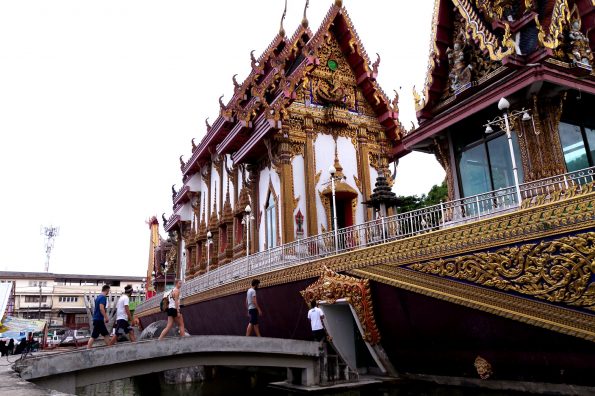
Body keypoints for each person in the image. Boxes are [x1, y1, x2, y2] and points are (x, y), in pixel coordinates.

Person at [87, 284, 111, 349]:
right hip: (99, 319)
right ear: (107, 290)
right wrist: (106, 317)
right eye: (109, 291)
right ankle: (88, 348)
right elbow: (101, 308)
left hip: (97, 319)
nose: (108, 292)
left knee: (104, 334)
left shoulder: (98, 297)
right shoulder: (103, 297)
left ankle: (110, 348)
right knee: (95, 336)